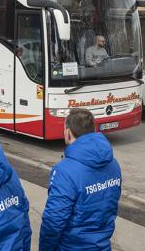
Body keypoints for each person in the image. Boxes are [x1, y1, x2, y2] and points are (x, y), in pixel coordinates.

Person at [39, 108, 122, 251]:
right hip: (102, 245)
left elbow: (54, 220)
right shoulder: (113, 164)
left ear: (68, 132)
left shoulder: (65, 170)